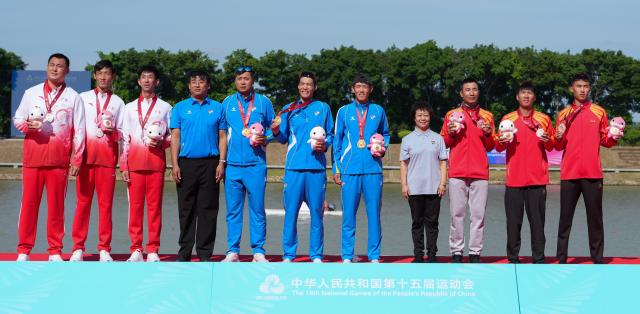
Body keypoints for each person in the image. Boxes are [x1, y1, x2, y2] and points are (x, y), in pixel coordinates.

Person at [13, 53, 85, 262]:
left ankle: (55, 250)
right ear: (47, 67)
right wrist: (28, 126)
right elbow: (18, 118)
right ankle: (24, 250)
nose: (55, 69)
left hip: (59, 161)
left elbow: (79, 130)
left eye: (60, 66)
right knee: (28, 205)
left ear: (67, 71)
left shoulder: (73, 97)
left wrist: (77, 159)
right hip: (33, 158)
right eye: (52, 65)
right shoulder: (31, 93)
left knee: (56, 207)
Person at [555, 73, 621, 264]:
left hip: (593, 174)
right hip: (570, 173)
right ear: (571, 89)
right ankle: (561, 259)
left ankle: (598, 259)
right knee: (565, 219)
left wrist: (615, 137)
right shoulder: (563, 114)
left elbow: (606, 141)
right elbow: (558, 146)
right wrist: (558, 136)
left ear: (589, 88)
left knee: (595, 219)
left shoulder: (599, 112)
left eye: (585, 86)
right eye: (578, 86)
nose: (582, 89)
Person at [271, 71, 334, 263]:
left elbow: (331, 134)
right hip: (294, 169)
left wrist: (326, 144)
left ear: (315, 87)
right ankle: (289, 255)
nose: (305, 87)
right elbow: (282, 138)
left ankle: (316, 255)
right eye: (302, 84)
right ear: (298, 86)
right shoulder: (288, 109)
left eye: (309, 84)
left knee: (317, 214)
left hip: (316, 169)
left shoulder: (323, 108)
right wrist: (274, 129)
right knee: (291, 214)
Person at [69, 60, 125, 262]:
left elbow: (123, 133)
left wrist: (113, 131)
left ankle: (104, 248)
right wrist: (76, 158)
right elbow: (76, 129)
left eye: (107, 73)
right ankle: (78, 248)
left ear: (113, 77)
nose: (103, 77)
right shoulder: (82, 98)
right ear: (94, 75)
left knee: (105, 206)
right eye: (100, 73)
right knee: (82, 204)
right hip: (85, 160)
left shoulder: (118, 102)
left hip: (107, 161)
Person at [170, 70, 227, 262]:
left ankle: (204, 253)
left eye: (201, 82)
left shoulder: (218, 108)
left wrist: (221, 162)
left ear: (208, 85)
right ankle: (184, 251)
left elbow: (222, 137)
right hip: (186, 163)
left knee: (208, 209)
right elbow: (175, 137)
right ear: (188, 86)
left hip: (211, 163)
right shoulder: (179, 108)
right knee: (186, 210)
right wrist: (175, 164)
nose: (197, 85)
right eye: (193, 82)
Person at [221, 66, 276, 263]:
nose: (243, 82)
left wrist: (266, 138)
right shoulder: (227, 103)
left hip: (256, 165)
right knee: (233, 210)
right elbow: (221, 133)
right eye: (239, 79)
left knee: (257, 209)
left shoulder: (263, 102)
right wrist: (221, 162)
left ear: (253, 81)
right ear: (235, 81)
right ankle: (233, 250)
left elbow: (276, 129)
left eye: (246, 78)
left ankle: (258, 251)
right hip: (233, 166)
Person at [495, 81, 555, 264]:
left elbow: (552, 145)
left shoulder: (544, 119)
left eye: (529, 93)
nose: (526, 96)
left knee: (538, 224)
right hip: (514, 180)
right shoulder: (508, 119)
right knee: (513, 224)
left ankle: (538, 258)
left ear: (534, 97)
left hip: (537, 180)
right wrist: (503, 141)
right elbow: (497, 146)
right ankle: (513, 258)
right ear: (517, 96)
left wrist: (546, 139)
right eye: (523, 93)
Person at [333, 74, 390, 263]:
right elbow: (337, 141)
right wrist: (336, 168)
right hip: (350, 169)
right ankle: (347, 256)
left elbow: (386, 134)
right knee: (348, 216)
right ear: (352, 89)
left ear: (370, 89)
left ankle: (374, 255)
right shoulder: (344, 111)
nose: (361, 90)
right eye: (358, 86)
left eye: (365, 87)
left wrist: (382, 148)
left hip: (373, 170)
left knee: (374, 215)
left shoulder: (378, 110)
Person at [120, 65, 172, 262]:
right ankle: (136, 248)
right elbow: (124, 137)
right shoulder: (129, 107)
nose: (147, 80)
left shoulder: (166, 107)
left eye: (151, 77)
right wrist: (123, 165)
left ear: (157, 82)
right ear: (139, 81)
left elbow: (172, 136)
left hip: (156, 163)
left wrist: (162, 142)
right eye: (144, 77)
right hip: (134, 163)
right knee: (134, 207)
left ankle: (152, 249)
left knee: (154, 207)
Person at [440, 78, 495, 263]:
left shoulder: (487, 116)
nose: (471, 92)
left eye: (474, 89)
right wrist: (451, 133)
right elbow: (444, 142)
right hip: (457, 172)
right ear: (461, 93)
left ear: (478, 92)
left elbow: (490, 145)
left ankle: (475, 252)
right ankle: (456, 251)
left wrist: (487, 133)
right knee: (457, 214)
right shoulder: (451, 115)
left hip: (480, 173)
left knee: (478, 215)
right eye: (467, 90)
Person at [400, 102, 448, 263]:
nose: (423, 118)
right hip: (414, 188)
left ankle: (433, 255)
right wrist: (404, 185)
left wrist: (442, 184)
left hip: (434, 188)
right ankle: (418, 255)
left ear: (430, 117)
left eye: (425, 115)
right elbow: (404, 164)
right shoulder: (407, 140)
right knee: (417, 223)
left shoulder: (438, 138)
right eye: (419, 115)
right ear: (414, 118)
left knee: (433, 224)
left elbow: (443, 162)